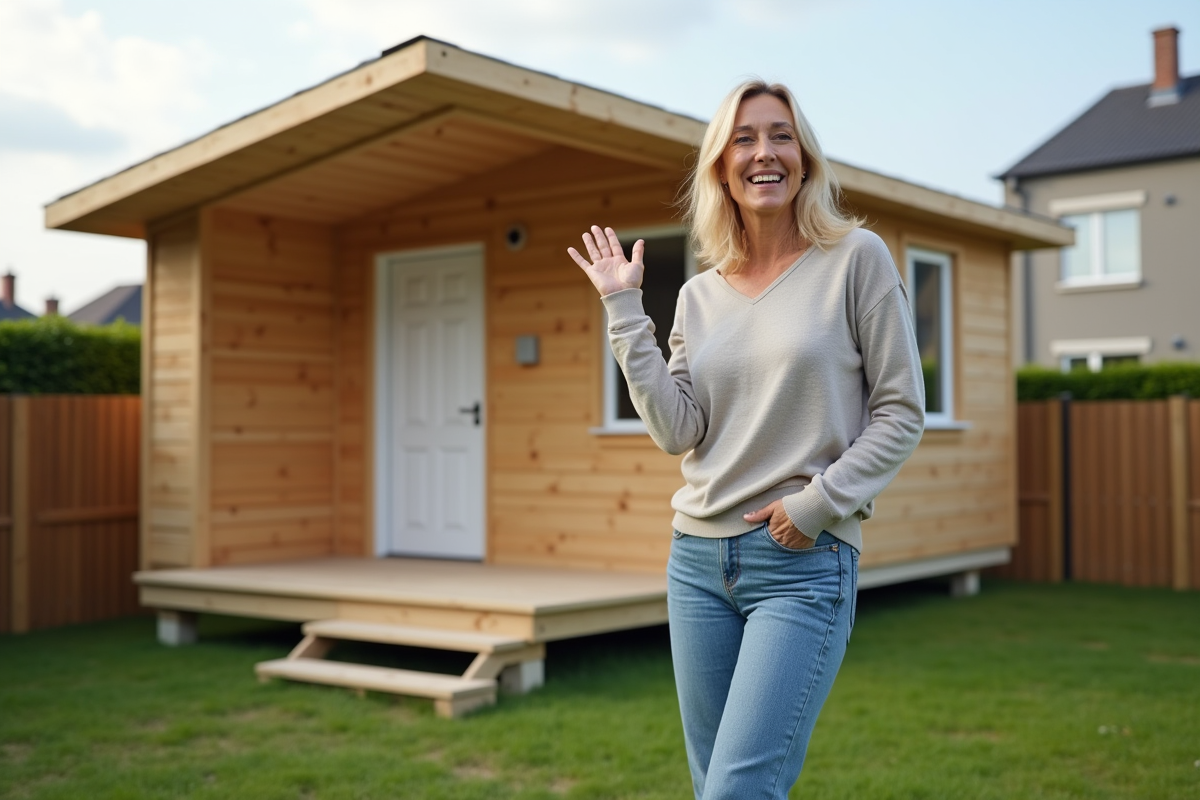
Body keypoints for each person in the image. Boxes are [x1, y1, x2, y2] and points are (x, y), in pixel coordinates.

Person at [568, 80, 925, 799]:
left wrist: (819, 505)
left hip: (802, 562)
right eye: (745, 138)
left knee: (739, 788)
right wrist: (623, 312)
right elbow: (679, 429)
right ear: (721, 168)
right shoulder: (699, 296)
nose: (765, 152)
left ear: (805, 159)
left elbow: (901, 410)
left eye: (781, 135)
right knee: (713, 787)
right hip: (696, 565)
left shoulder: (857, 259)